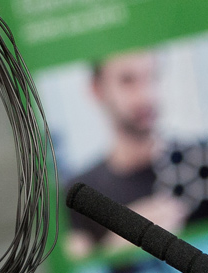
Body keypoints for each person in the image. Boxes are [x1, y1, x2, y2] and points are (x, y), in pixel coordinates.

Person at [64, 51, 188, 257]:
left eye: (153, 77)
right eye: (127, 81)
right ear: (97, 90)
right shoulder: (77, 196)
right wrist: (119, 248)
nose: (146, 96)